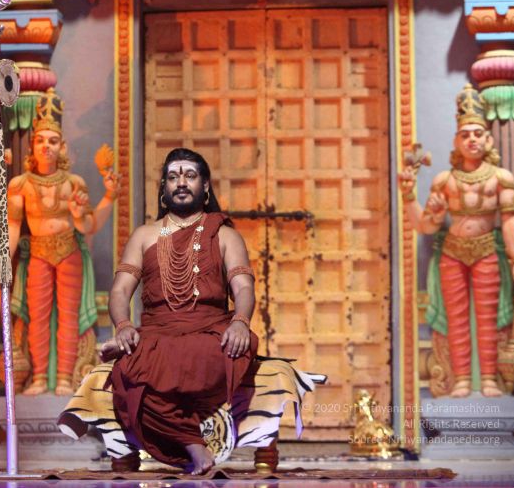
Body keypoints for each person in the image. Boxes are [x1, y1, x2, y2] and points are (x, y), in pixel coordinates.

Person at [58, 148, 322, 475]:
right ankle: (193, 445)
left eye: (190, 175)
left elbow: (242, 287)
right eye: (173, 177)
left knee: (196, 356)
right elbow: (120, 291)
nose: (181, 182)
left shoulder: (225, 235)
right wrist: (123, 325)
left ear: (205, 186)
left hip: (210, 331)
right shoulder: (144, 236)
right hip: (157, 332)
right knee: (128, 371)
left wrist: (240, 322)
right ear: (164, 189)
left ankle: (187, 440)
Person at [398, 84, 514, 398]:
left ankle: (488, 379)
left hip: (487, 251)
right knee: (456, 319)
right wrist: (409, 196)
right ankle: (460, 380)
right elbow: (426, 226)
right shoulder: (445, 181)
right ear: (456, 142)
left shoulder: (501, 178)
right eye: (465, 134)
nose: (472, 139)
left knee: (487, 318)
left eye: (478, 134)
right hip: (453, 253)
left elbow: (510, 222)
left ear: (488, 140)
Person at [7, 88, 118, 395]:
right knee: (37, 316)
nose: (47, 146)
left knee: (69, 316)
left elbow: (89, 226)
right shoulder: (20, 185)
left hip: (69, 251)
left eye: (53, 141)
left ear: (63, 146)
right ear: (33, 146)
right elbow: (13, 227)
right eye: (41, 140)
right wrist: (2, 265)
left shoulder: (74, 183)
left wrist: (103, 200)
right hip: (38, 253)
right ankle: (40, 377)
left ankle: (66, 378)